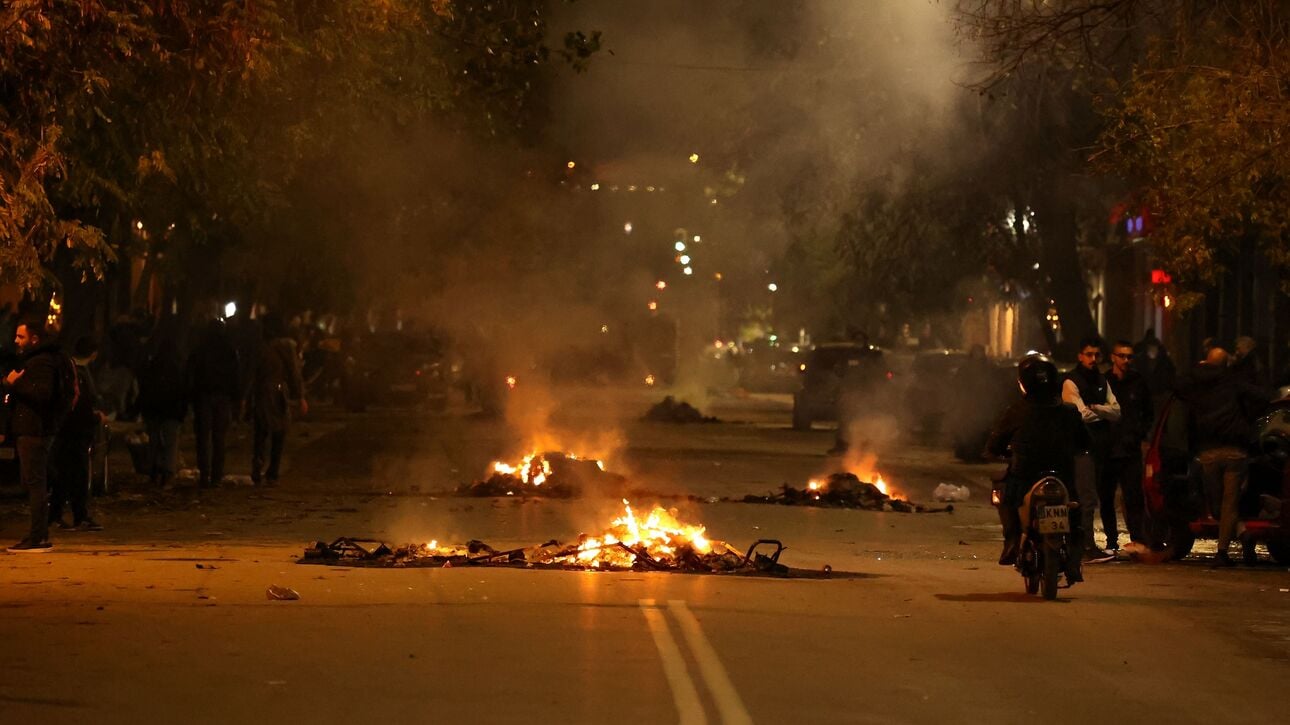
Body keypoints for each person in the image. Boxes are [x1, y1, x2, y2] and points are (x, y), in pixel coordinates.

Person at [986, 354, 1092, 580]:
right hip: (1063, 475)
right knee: (1075, 510)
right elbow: (1085, 443)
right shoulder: (1069, 411)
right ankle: (1074, 558)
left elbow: (994, 444)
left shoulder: (1016, 411)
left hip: (1024, 476)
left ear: (1023, 383)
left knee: (1004, 496)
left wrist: (999, 452)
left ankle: (1012, 541)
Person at [1176, 346, 1270, 566]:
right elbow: (1263, 396)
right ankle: (1238, 537)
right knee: (1228, 504)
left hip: (1208, 451)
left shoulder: (1197, 384)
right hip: (1234, 451)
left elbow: (1176, 387)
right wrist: (1247, 417)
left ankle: (1225, 548)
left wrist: (1196, 370)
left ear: (1205, 362)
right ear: (1226, 363)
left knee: (1217, 505)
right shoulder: (1233, 381)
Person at [3, 317, 69, 551]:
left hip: (34, 430)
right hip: (32, 429)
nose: (16, 340)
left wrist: (14, 384)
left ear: (34, 339)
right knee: (33, 481)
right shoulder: (37, 360)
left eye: (21, 336)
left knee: (35, 483)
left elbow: (42, 394)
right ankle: (40, 532)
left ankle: (38, 536)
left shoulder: (41, 362)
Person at [1063, 335, 1121, 555]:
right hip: (1081, 447)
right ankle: (1085, 544)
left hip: (1100, 447)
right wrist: (1102, 411)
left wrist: (1097, 409)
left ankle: (1085, 542)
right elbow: (1081, 414)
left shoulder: (1101, 380)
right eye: (1089, 354)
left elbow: (1117, 411)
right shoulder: (1071, 381)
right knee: (1085, 499)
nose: (1093, 359)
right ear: (1080, 356)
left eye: (1096, 355)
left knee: (1095, 497)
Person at [48, 337, 105, 531]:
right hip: (76, 431)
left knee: (65, 474)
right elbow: (81, 405)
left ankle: (59, 515)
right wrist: (95, 417)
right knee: (76, 474)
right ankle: (75, 515)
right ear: (94, 354)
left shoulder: (69, 369)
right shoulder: (78, 373)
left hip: (66, 429)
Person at [245, 313, 307, 486]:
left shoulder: (259, 347)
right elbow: (294, 373)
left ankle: (258, 466)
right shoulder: (286, 347)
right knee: (279, 433)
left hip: (261, 393)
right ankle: (272, 472)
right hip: (278, 393)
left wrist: (246, 397)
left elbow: (251, 373)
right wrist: (299, 396)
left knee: (261, 432)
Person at [1105, 340, 1152, 546]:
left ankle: (1137, 538)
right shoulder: (1105, 381)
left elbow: (1148, 412)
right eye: (1122, 356)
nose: (1126, 360)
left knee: (1133, 496)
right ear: (1113, 357)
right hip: (1108, 448)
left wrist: (1139, 433)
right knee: (1106, 497)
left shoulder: (1138, 382)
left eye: (1129, 357)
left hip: (1130, 448)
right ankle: (1111, 539)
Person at [186, 319, 241, 489]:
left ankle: (205, 474)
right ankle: (216, 475)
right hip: (222, 397)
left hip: (204, 396)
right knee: (219, 437)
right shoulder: (229, 349)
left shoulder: (200, 349)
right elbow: (235, 375)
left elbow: (191, 372)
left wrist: (191, 396)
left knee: (203, 437)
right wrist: (236, 398)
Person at [136, 332, 187, 488]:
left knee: (154, 442)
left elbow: (145, 389)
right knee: (171, 443)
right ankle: (168, 474)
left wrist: (141, 409)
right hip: (172, 411)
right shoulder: (178, 367)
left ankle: (154, 471)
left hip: (154, 410)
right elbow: (183, 390)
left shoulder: (153, 365)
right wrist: (182, 411)